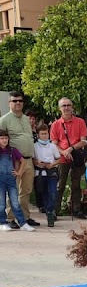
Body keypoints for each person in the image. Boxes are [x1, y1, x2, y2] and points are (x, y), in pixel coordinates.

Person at [0, 91, 39, 228]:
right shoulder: (4, 120)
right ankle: (10, 219)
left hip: (28, 160)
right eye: (15, 101)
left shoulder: (26, 119)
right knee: (13, 189)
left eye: (20, 101)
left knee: (26, 190)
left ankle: (25, 217)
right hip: (13, 160)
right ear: (9, 103)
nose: (18, 103)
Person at [50, 97, 87, 219]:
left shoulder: (80, 122)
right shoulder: (56, 125)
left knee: (76, 184)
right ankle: (55, 211)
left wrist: (71, 149)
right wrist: (64, 152)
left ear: (72, 107)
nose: (66, 108)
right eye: (63, 106)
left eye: (68, 105)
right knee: (59, 185)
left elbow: (84, 141)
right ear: (59, 108)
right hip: (62, 159)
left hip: (76, 157)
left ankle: (76, 209)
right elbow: (53, 143)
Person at [0, 130, 35, 231]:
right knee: (1, 204)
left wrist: (19, 172)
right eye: (1, 138)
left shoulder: (12, 150)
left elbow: (22, 160)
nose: (4, 140)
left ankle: (23, 223)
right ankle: (2, 222)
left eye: (6, 138)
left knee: (15, 202)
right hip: (0, 181)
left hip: (11, 180)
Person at [33, 122, 61, 227]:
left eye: (46, 133)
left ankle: (50, 210)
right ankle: (48, 213)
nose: (44, 136)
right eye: (42, 134)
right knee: (43, 193)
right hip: (40, 173)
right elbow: (33, 159)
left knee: (53, 193)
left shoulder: (52, 146)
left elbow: (59, 159)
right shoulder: (35, 146)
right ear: (38, 135)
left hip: (51, 172)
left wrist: (52, 164)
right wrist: (37, 163)